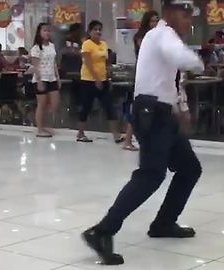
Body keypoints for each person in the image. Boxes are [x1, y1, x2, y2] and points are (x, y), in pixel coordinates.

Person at [82, 0, 204, 265]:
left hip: (164, 113)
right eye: (186, 15)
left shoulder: (164, 37)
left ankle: (164, 222)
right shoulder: (162, 34)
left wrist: (180, 108)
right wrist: (199, 61)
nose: (189, 21)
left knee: (189, 168)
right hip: (153, 113)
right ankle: (102, 230)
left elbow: (170, 80)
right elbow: (183, 59)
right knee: (150, 175)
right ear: (171, 13)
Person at [76, 20, 122, 143]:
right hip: (88, 80)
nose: (98, 32)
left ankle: (116, 135)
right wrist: (96, 79)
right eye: (95, 29)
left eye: (99, 29)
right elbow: (88, 63)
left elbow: (105, 62)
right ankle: (80, 133)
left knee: (109, 107)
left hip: (103, 80)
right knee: (86, 106)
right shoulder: (87, 44)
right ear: (90, 31)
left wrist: (108, 76)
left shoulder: (103, 44)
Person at [120, 10, 159, 152]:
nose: (155, 24)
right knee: (138, 108)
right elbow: (146, 53)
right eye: (152, 21)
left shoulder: (155, 37)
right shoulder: (142, 37)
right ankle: (128, 140)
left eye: (156, 21)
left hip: (153, 75)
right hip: (143, 76)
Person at [31, 23, 62, 138]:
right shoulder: (36, 48)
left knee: (55, 104)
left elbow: (54, 63)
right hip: (41, 78)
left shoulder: (52, 46)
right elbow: (35, 66)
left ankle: (46, 126)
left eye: (48, 31)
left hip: (52, 77)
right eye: (44, 30)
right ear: (39, 32)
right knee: (41, 104)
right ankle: (40, 129)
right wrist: (39, 81)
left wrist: (57, 78)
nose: (47, 33)